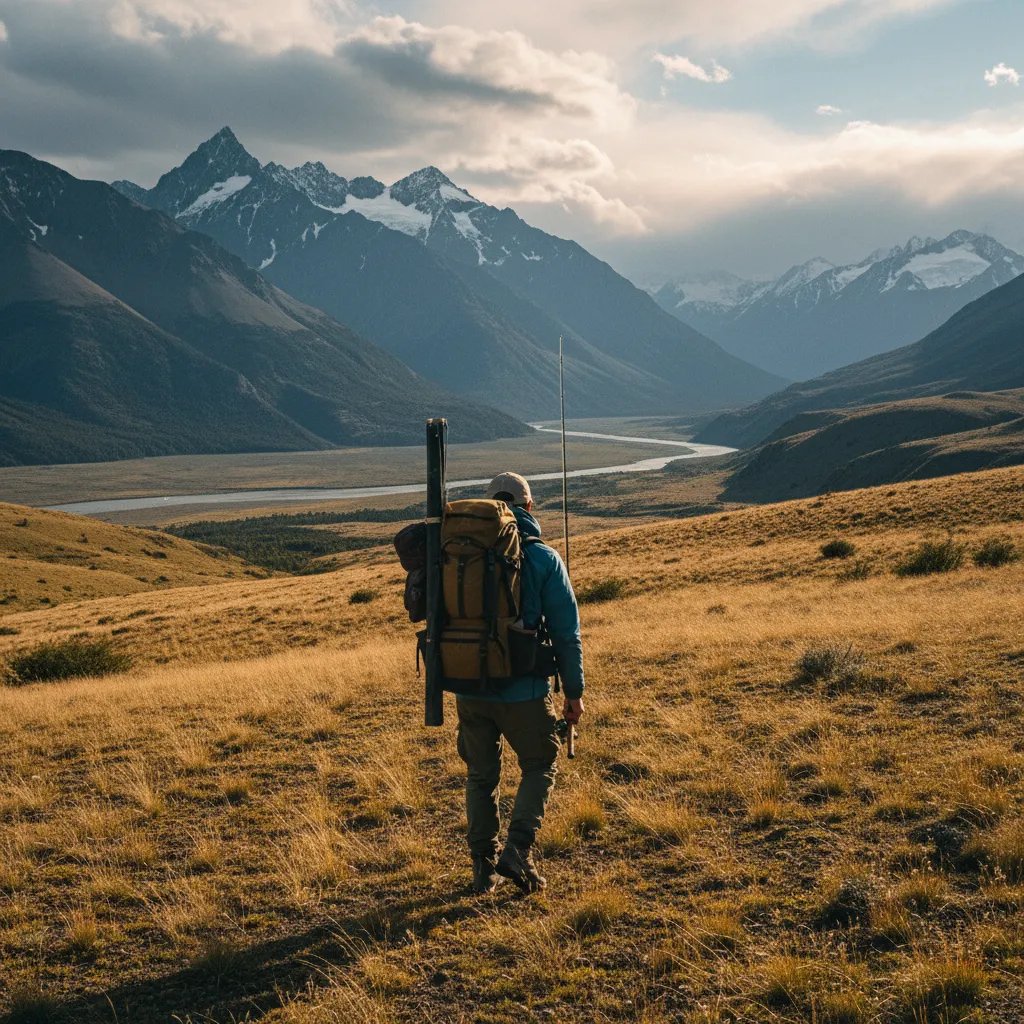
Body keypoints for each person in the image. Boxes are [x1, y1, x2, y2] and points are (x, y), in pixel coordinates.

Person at [456, 471, 585, 895]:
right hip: (525, 689)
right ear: (528, 507)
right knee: (539, 764)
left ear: (489, 504)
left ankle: (482, 868)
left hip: (469, 686)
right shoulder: (544, 558)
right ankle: (518, 851)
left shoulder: (460, 553)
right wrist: (574, 694)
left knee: (481, 775)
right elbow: (567, 634)